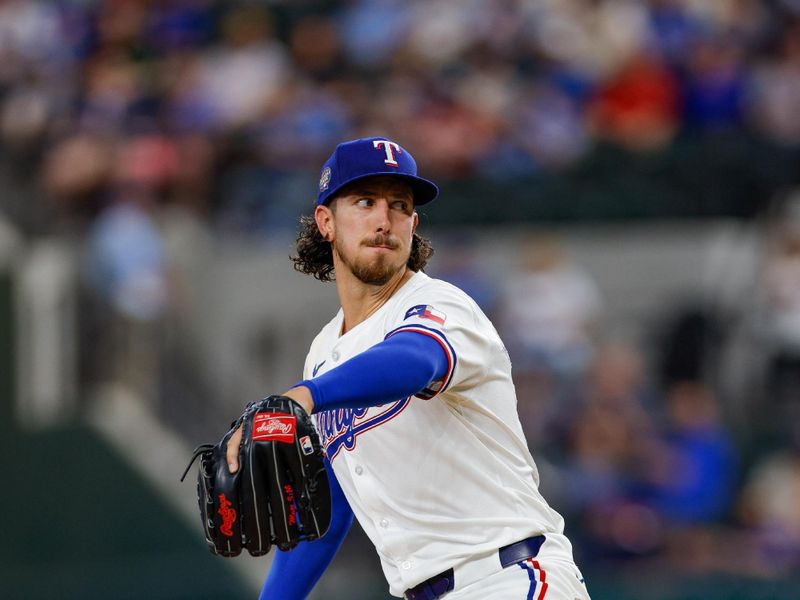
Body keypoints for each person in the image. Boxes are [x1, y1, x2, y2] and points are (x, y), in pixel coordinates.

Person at [225, 137, 591, 600]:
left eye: (399, 206)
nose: (383, 220)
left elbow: (416, 360)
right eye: (365, 201)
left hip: (508, 575)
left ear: (413, 225)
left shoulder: (440, 304)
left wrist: (304, 395)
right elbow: (331, 502)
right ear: (326, 222)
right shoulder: (323, 352)